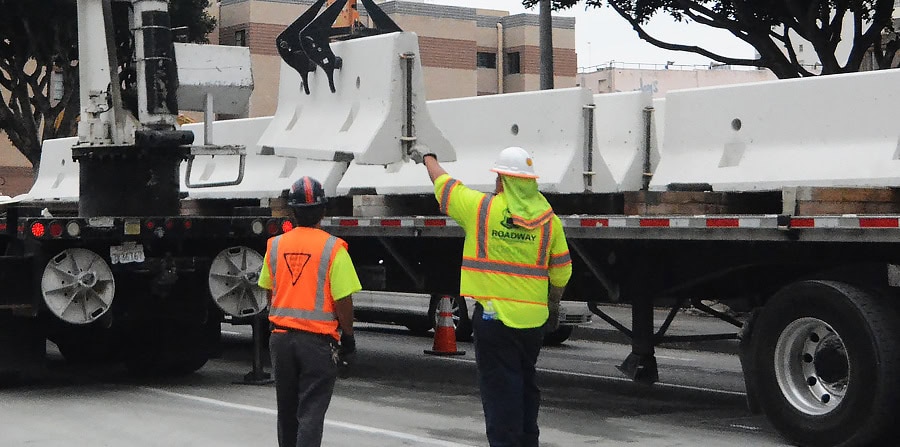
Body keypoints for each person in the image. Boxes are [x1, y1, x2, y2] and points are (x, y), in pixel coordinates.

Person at [410, 146, 573, 447]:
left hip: (494, 320)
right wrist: (552, 304)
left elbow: (446, 187)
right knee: (526, 386)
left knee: (501, 393)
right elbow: (562, 272)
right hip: (533, 323)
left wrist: (427, 158)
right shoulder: (550, 222)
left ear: (503, 181)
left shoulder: (483, 209)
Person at [257, 176, 362, 447]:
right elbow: (343, 300)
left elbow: (269, 291)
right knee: (311, 412)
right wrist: (348, 337)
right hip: (317, 343)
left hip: (280, 339)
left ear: (292, 211)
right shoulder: (333, 249)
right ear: (323, 210)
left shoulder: (275, 245)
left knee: (287, 411)